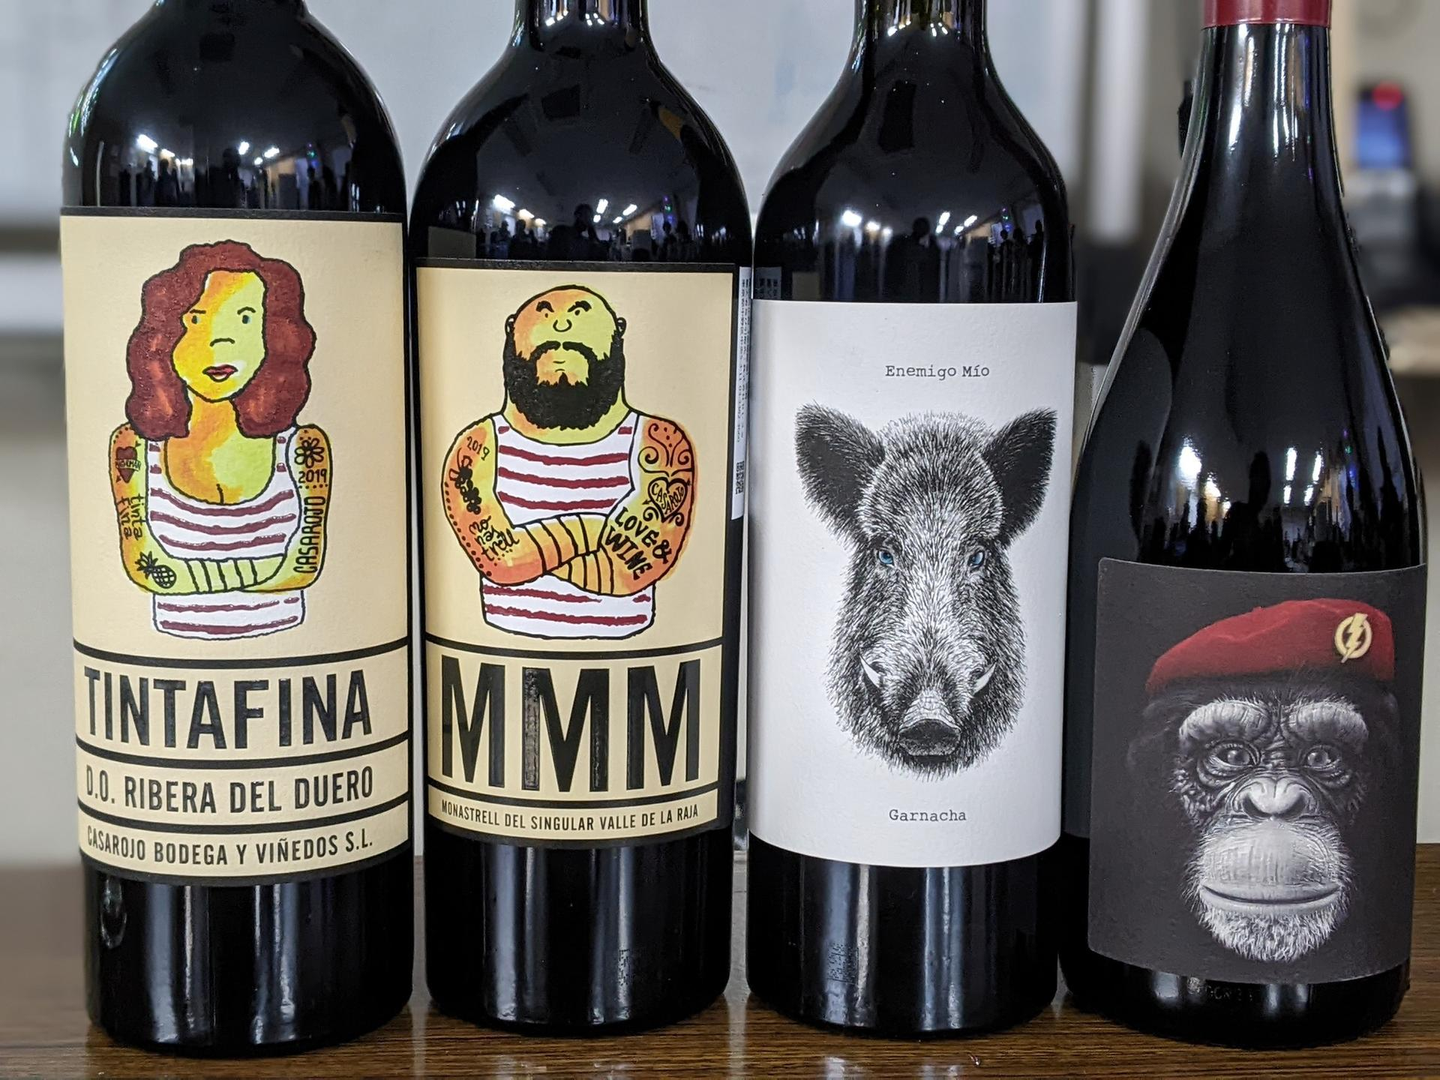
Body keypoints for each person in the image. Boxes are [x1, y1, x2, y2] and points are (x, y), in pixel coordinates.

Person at [442, 285, 695, 640]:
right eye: (544, 312)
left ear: (618, 332)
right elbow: (500, 560)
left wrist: (529, 554)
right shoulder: (479, 445)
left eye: (580, 313)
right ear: (512, 330)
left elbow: (628, 568)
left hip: (628, 646)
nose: (561, 325)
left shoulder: (658, 441)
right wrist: (597, 532)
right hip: (504, 643)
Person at [109, 240, 332, 639]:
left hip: (292, 646)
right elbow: (149, 569)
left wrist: (191, 577)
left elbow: (304, 568)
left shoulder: (304, 450)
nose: (219, 341)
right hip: (170, 657)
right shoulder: (133, 448)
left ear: (273, 336)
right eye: (196, 320)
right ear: (164, 338)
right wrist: (267, 570)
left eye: (244, 319)